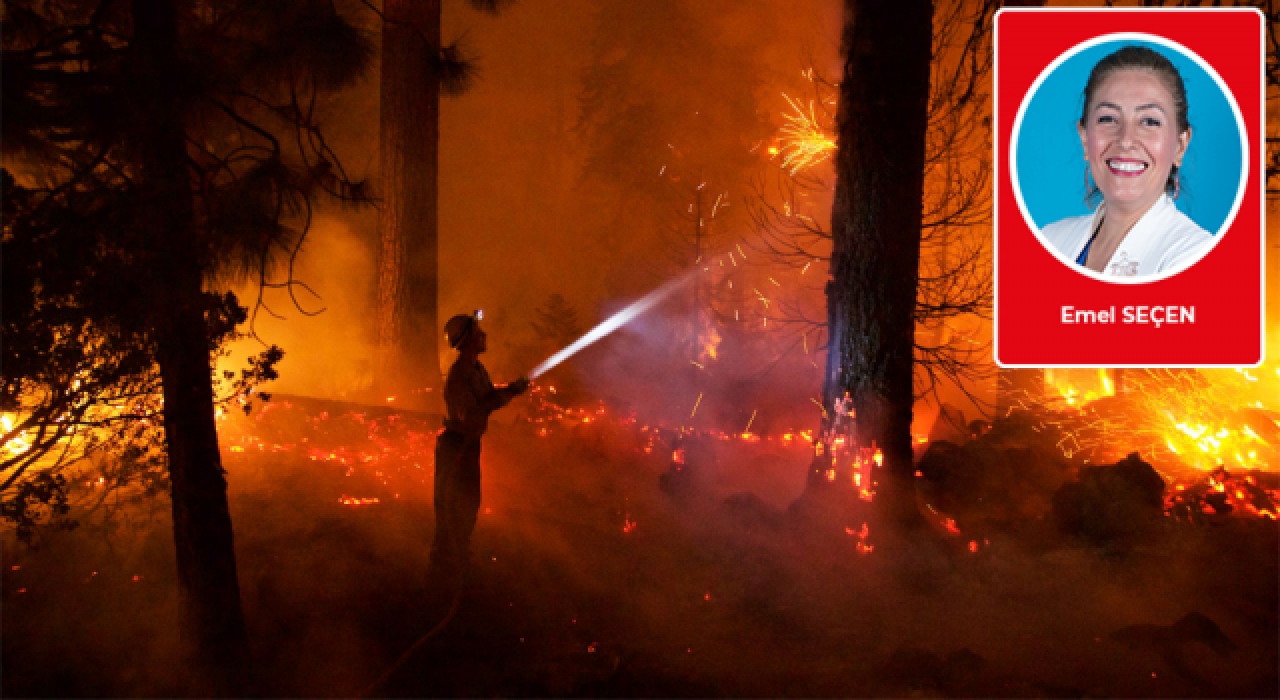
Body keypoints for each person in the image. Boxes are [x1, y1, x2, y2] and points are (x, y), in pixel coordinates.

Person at [1041, 46, 1213, 278]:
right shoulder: (1050, 239)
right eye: (1108, 119)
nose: (1125, 140)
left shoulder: (1197, 255)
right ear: (1084, 138)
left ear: (1180, 146)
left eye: (1150, 121)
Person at [429, 312, 530, 588]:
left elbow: (487, 397)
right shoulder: (459, 374)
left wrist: (511, 390)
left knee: (468, 505)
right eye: (478, 332)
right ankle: (441, 575)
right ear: (468, 339)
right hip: (456, 447)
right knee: (451, 508)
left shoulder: (476, 369)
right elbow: (470, 412)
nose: (483, 335)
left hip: (468, 445)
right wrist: (502, 396)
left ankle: (458, 564)